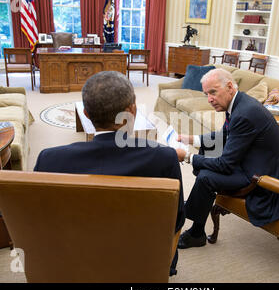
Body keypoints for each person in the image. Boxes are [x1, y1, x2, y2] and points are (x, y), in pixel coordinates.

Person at [34, 71, 185, 276]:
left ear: (85, 114)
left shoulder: (49, 159)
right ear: (132, 111)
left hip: (73, 257)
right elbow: (176, 220)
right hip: (140, 259)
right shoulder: (165, 158)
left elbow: (41, 218)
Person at [175, 68, 279, 249]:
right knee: (205, 158)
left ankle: (196, 233)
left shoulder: (244, 113)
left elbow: (225, 165)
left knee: (205, 177)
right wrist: (191, 139)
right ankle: (198, 203)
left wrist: (186, 156)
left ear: (230, 87)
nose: (209, 99)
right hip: (253, 159)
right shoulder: (236, 103)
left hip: (261, 175)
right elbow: (224, 135)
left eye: (213, 92)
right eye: (206, 94)